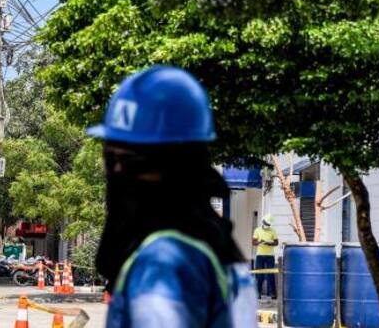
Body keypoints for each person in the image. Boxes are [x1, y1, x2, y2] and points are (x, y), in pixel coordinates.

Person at [89, 66, 257, 327]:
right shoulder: (217, 244)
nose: (118, 171)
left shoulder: (162, 262)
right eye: (111, 158)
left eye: (133, 160)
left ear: (179, 164)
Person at [252, 214, 278, 299]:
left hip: (270, 256)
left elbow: (276, 242)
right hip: (260, 256)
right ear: (263, 221)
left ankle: (273, 294)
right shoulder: (257, 230)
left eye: (268, 224)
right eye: (266, 223)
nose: (267, 225)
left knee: (271, 275)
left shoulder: (273, 231)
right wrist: (260, 242)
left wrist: (267, 243)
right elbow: (253, 242)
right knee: (259, 275)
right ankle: (258, 293)